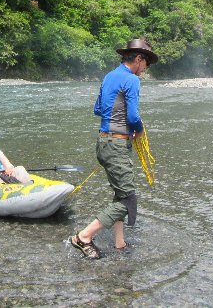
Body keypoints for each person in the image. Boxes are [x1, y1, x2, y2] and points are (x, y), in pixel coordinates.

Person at [69, 38, 158, 259]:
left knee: (120, 194)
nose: (145, 69)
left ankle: (120, 242)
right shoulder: (132, 79)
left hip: (103, 142)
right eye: (146, 64)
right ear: (139, 59)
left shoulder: (109, 76)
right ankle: (84, 236)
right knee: (128, 200)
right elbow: (133, 117)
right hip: (117, 144)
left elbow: (98, 109)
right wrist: (138, 130)